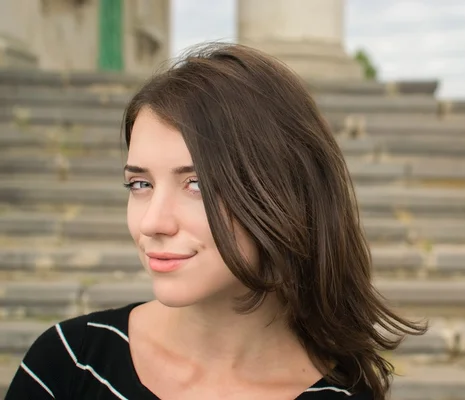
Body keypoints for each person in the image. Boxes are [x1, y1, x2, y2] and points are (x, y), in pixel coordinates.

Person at [6, 42, 427, 400]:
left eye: (198, 185)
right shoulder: (68, 363)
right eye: (139, 184)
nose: (153, 222)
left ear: (284, 192)